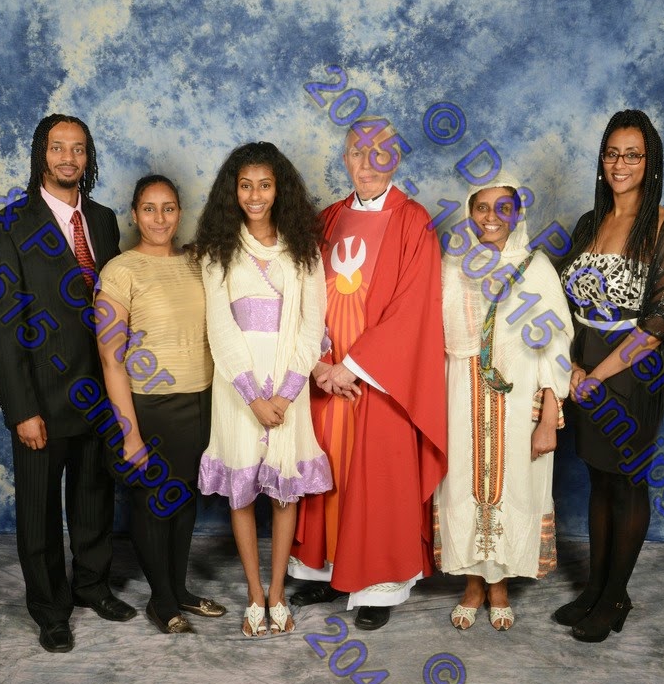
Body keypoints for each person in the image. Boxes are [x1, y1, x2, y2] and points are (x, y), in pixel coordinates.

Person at [0, 114, 135, 653]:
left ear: (88, 158)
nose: (69, 158)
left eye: (79, 149)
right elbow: (2, 328)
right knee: (39, 511)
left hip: (99, 394)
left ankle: (92, 586)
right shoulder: (7, 226)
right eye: (58, 148)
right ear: (40, 155)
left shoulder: (104, 221)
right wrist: (21, 409)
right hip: (41, 400)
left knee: (94, 499)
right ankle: (50, 609)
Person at [289, 119, 448, 631]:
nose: (368, 163)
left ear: (394, 158)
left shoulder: (414, 222)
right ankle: (329, 571)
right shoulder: (328, 219)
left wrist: (352, 367)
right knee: (328, 472)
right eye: (358, 152)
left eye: (380, 152)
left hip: (378, 382)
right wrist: (318, 364)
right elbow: (301, 296)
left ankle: (378, 583)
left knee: (377, 476)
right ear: (345, 159)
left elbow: (413, 310)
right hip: (325, 377)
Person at [553, 109, 664, 642]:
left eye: (632, 154)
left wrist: (597, 375)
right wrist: (572, 365)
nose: (620, 163)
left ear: (650, 162)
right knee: (598, 474)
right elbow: (563, 302)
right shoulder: (590, 222)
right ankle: (596, 587)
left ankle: (615, 598)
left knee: (627, 478)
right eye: (612, 153)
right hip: (586, 359)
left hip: (637, 365)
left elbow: (660, 321)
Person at [194, 142, 332, 637]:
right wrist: (253, 396)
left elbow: (312, 325)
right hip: (238, 389)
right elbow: (219, 328)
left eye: (265, 185)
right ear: (233, 191)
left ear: (280, 189)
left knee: (284, 492)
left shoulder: (303, 249)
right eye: (246, 185)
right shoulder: (218, 249)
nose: (255, 195)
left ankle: (277, 593)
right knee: (242, 493)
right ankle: (254, 593)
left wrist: (287, 391)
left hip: (289, 385)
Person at [436, 176, 572, 630]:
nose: (491, 217)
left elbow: (556, 344)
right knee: (464, 483)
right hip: (461, 394)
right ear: (469, 211)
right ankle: (473, 584)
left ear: (517, 214)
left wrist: (549, 417)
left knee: (514, 486)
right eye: (482, 207)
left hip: (520, 398)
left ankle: (500, 586)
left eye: (503, 207)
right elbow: (435, 335)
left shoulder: (536, 267)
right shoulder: (454, 264)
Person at [94, 174, 227, 634]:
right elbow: (110, 359)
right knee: (153, 502)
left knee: (184, 498)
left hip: (199, 400)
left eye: (168, 208)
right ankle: (161, 600)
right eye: (149, 209)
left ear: (179, 213)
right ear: (134, 214)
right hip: (149, 406)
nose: (159, 218)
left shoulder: (196, 262)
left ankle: (180, 589)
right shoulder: (120, 271)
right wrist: (129, 432)